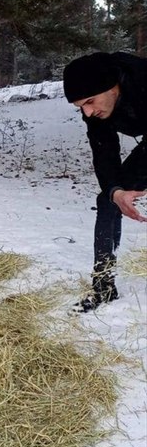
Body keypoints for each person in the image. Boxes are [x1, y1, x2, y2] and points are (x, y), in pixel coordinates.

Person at [62, 51, 147, 312]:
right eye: (80, 107)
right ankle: (103, 287)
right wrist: (115, 191)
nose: (87, 112)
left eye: (90, 102)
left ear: (112, 87)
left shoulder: (143, 80)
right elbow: (104, 152)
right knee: (109, 198)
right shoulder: (95, 110)